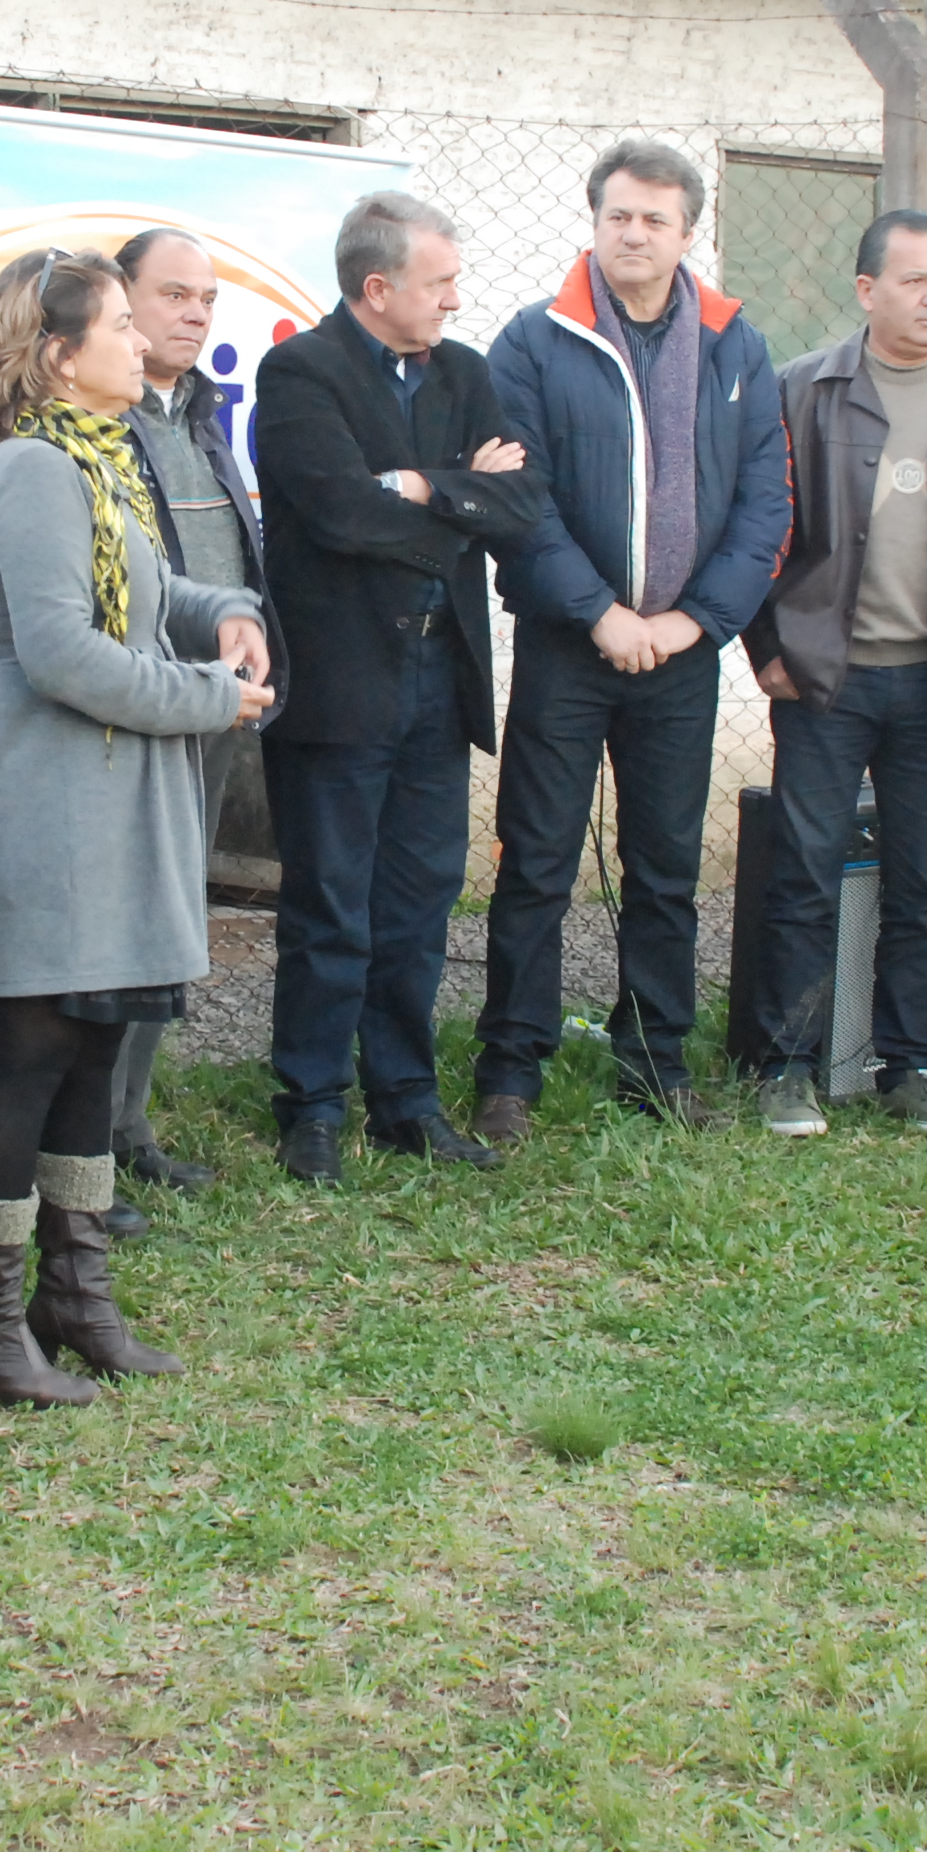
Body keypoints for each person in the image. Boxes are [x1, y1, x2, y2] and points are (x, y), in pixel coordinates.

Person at [0, 251, 267, 1404]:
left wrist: (224, 607)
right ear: (59, 355)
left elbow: (146, 593)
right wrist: (208, 699)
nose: (144, 342)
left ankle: (71, 1298)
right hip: (45, 802)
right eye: (120, 326)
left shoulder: (101, 462)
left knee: (89, 1048)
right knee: (27, 1056)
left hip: (111, 799)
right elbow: (61, 652)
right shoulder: (32, 468)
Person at [472, 138, 789, 1139]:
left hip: (682, 656)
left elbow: (763, 500)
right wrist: (600, 613)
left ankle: (654, 1059)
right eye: (617, 215)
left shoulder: (735, 344)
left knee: (665, 865)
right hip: (570, 646)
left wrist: (691, 622)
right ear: (593, 221)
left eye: (654, 219)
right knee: (534, 861)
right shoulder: (532, 340)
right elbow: (516, 502)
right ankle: (508, 1071)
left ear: (687, 232)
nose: (633, 234)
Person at [247, 191, 541, 1183]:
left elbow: (520, 502)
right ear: (376, 288)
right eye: (440, 281)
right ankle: (312, 1105)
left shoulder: (463, 372)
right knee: (331, 905)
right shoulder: (299, 373)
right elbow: (336, 515)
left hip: (435, 675)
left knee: (419, 900)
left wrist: (414, 485)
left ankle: (405, 1101)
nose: (455, 299)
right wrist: (457, 489)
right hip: (340, 683)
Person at [740, 208, 927, 1144]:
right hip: (826, 680)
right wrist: (767, 648)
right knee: (803, 874)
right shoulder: (803, 393)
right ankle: (786, 1065)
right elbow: (755, 530)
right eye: (915, 280)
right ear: (867, 291)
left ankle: (914, 1064)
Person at [108, 226, 280, 1208]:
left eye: (206, 299)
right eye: (172, 294)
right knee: (126, 926)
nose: (193, 312)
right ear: (118, 301)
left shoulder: (205, 414)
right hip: (138, 707)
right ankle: (83, 1138)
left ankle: (128, 1124)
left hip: (218, 706)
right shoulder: (96, 421)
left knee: (175, 924)